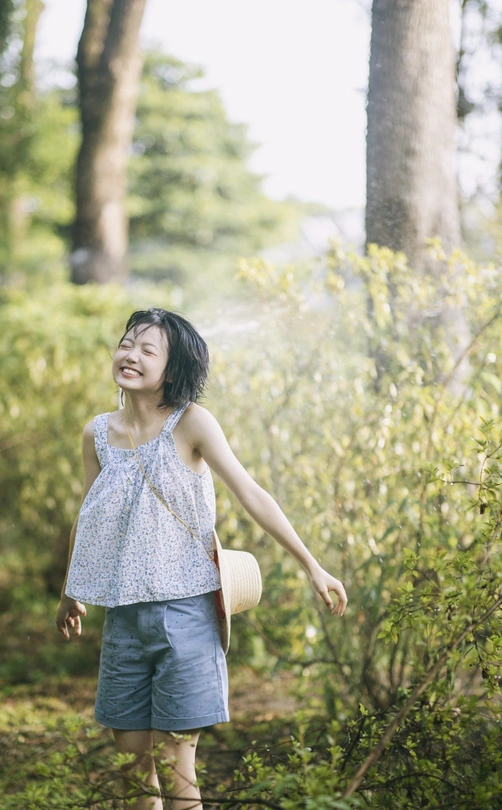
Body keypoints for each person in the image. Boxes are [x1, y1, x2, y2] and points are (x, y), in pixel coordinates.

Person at [55, 307, 348, 810]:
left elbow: (251, 493)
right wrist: (70, 593)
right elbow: (89, 519)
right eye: (128, 344)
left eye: (148, 350)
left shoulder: (192, 423)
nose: (131, 355)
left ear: (173, 369)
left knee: (177, 772)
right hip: (123, 620)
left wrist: (311, 564)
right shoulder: (97, 433)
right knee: (131, 773)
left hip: (187, 617)